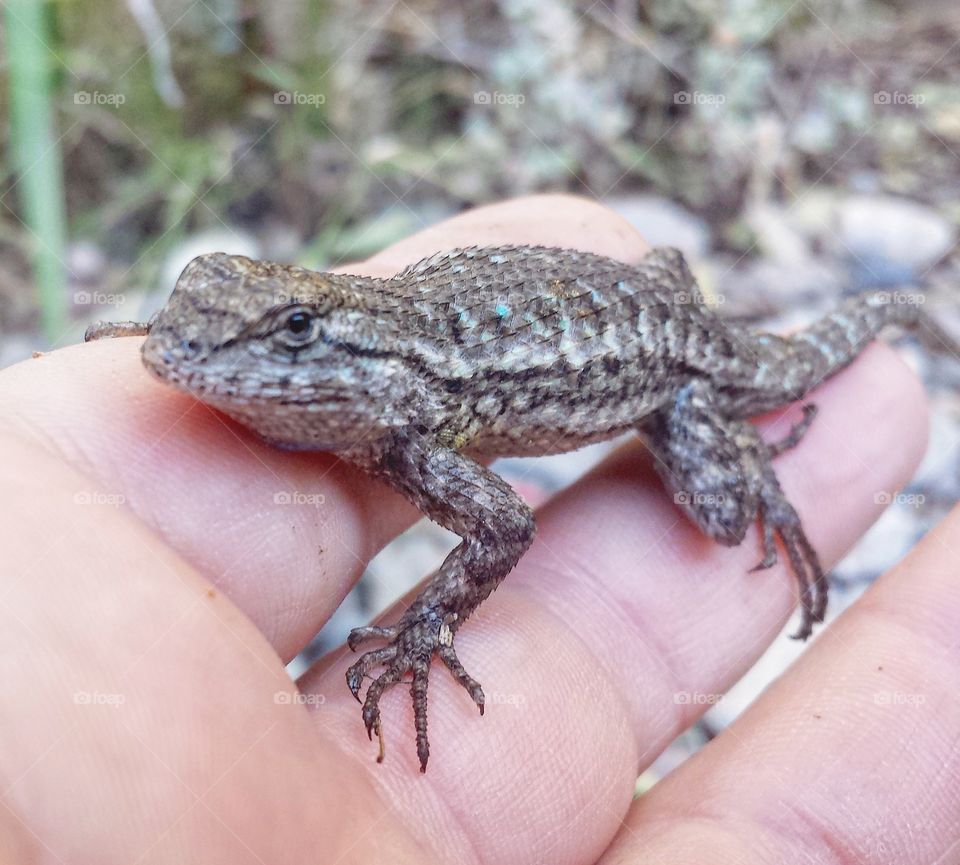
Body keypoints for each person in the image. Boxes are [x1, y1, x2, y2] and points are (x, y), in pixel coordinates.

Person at [0, 195, 956, 863]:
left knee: (716, 518)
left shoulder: (411, 422)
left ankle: (762, 447)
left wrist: (424, 629)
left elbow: (502, 528)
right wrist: (189, 349)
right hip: (619, 307)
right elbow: (238, 335)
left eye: (289, 336)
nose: (195, 351)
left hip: (678, 368)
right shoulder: (366, 376)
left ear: (365, 364)